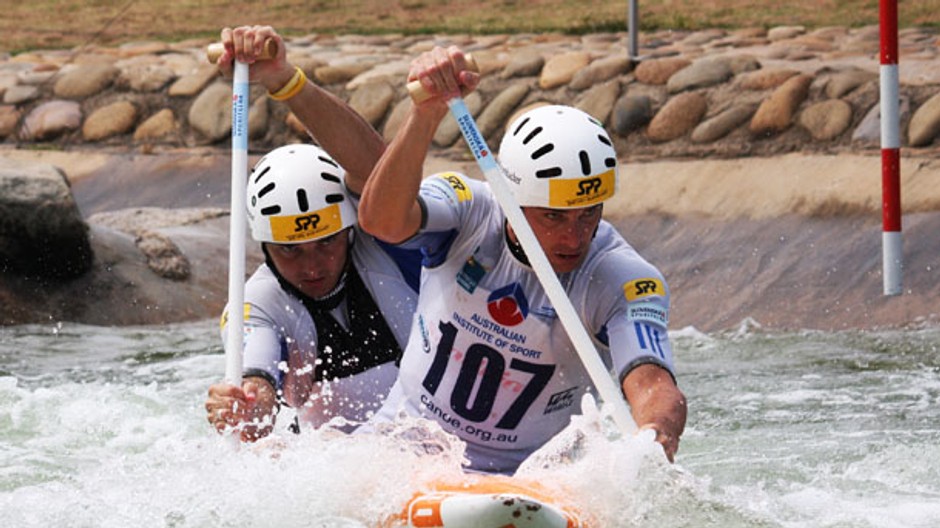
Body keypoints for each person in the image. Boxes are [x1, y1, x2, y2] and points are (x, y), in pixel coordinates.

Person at [357, 46, 687, 474]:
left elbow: (653, 385)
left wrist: (655, 436)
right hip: (405, 445)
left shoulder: (622, 278)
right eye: (554, 216)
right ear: (511, 198)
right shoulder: (467, 209)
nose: (575, 236)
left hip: (531, 476)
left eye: (590, 213)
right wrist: (426, 114)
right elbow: (379, 221)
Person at [205, 27, 420, 440]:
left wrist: (284, 81)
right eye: (291, 251)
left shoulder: (386, 240)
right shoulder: (256, 305)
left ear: (349, 227)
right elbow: (257, 379)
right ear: (264, 246)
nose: (315, 265)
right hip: (350, 468)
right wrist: (246, 405)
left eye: (326, 242)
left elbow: (377, 168)